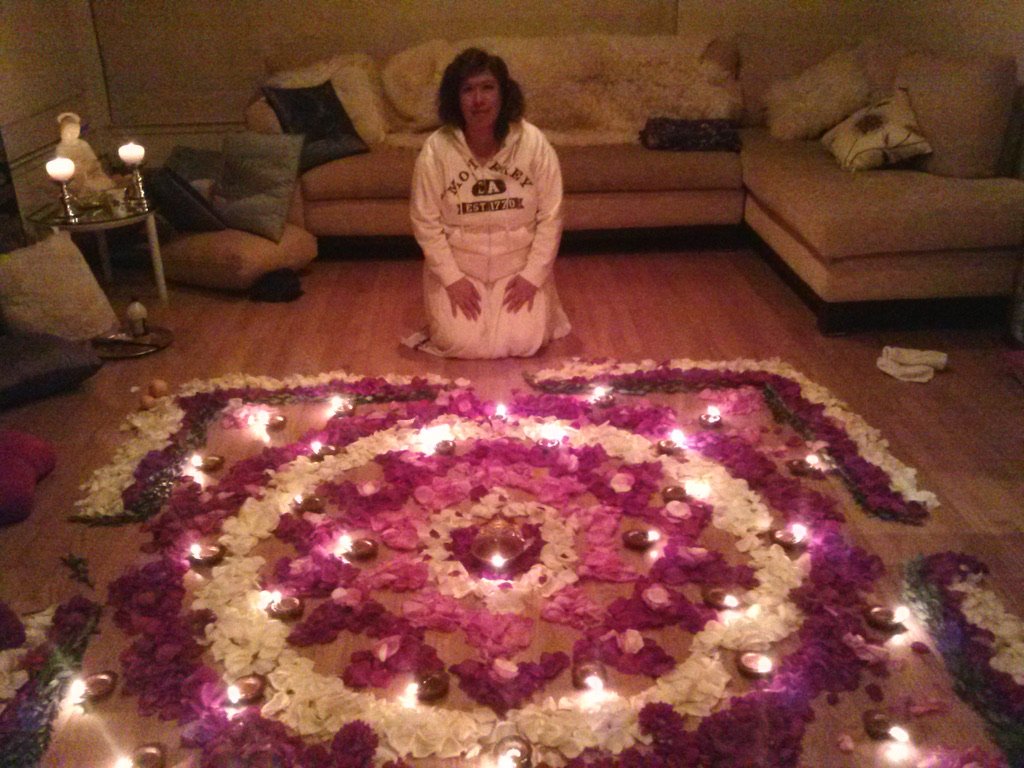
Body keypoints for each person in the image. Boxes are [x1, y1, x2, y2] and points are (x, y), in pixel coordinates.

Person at [406, 47, 571, 358]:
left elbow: (551, 215)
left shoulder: (533, 142)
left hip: (518, 266)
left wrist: (533, 276)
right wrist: (452, 279)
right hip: (461, 267)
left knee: (524, 342)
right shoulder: (435, 150)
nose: (478, 100)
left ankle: (536, 306)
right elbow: (425, 220)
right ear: (455, 98)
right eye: (467, 90)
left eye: (487, 87)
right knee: (462, 343)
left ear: (503, 92)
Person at [54, 112, 115, 201]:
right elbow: (63, 167)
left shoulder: (83, 144)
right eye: (69, 132)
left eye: (75, 132)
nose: (72, 134)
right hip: (76, 177)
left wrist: (90, 166)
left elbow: (93, 159)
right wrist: (77, 167)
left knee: (103, 183)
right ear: (62, 132)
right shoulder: (61, 148)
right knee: (86, 186)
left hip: (91, 171)